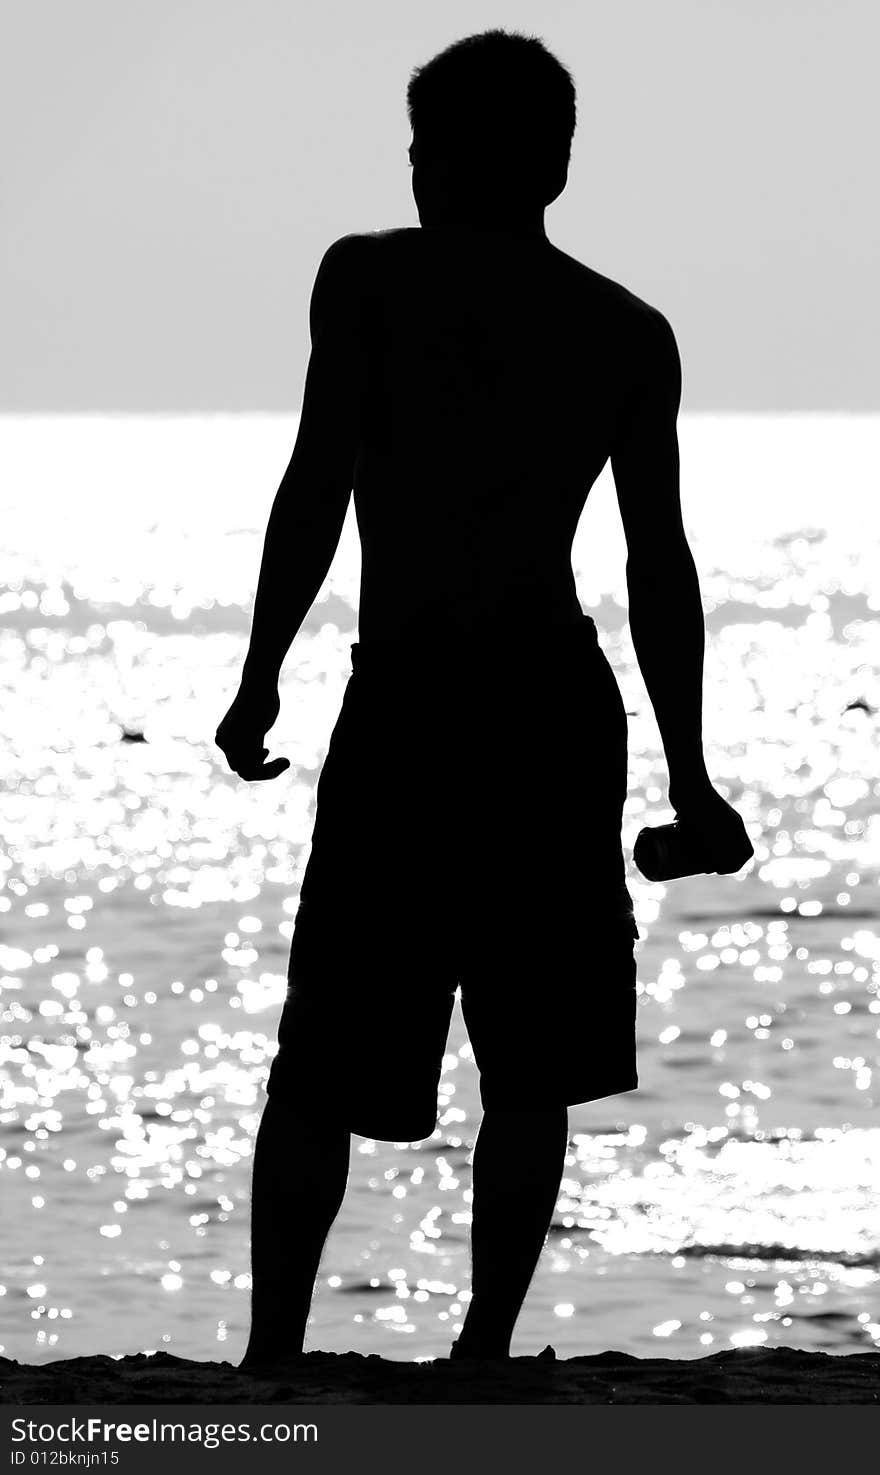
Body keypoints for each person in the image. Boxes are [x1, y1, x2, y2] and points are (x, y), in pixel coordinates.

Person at [214, 29, 753, 1367]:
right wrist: (689, 775)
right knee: (532, 1063)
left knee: (328, 1058)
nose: (410, 176)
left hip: (412, 707)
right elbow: (657, 570)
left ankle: (276, 1358)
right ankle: (481, 1355)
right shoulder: (624, 333)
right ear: (558, 161)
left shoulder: (370, 282)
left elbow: (317, 485)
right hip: (548, 708)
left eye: (419, 151)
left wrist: (261, 674)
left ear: (447, 159)